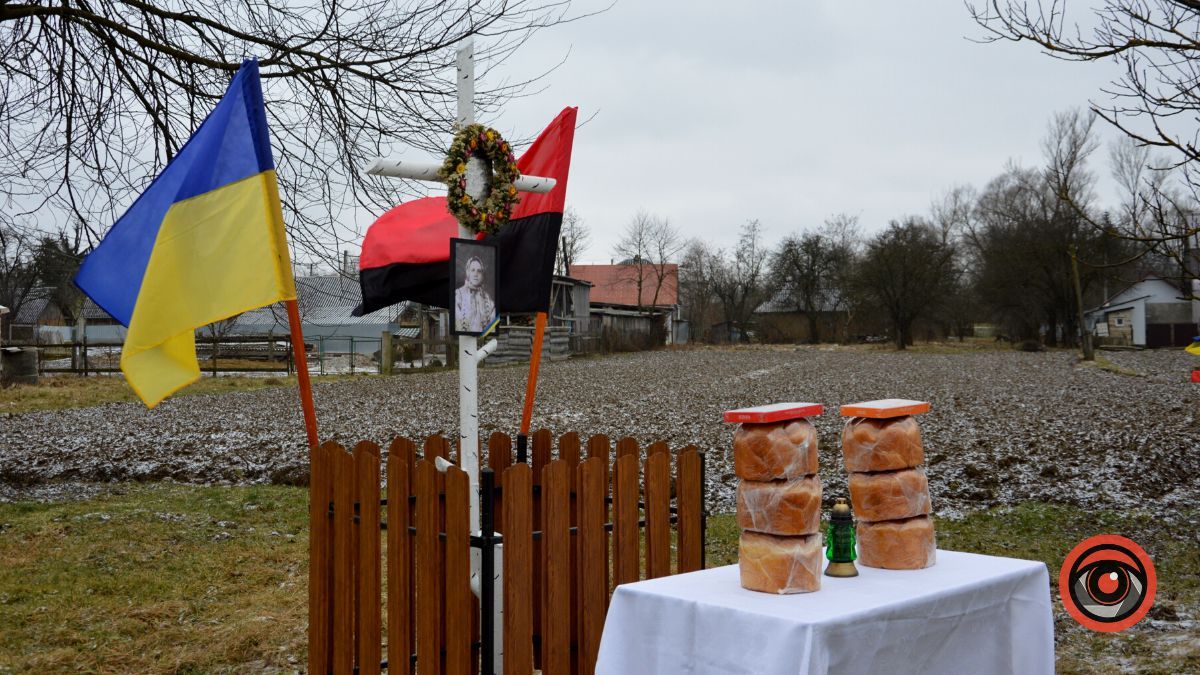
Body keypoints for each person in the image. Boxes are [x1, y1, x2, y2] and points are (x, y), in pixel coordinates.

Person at [455, 255, 495, 333]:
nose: (476, 274)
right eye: (472, 270)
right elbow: (458, 325)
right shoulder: (458, 295)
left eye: (479, 271)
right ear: (468, 272)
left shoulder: (487, 298)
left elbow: (493, 325)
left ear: (482, 275)